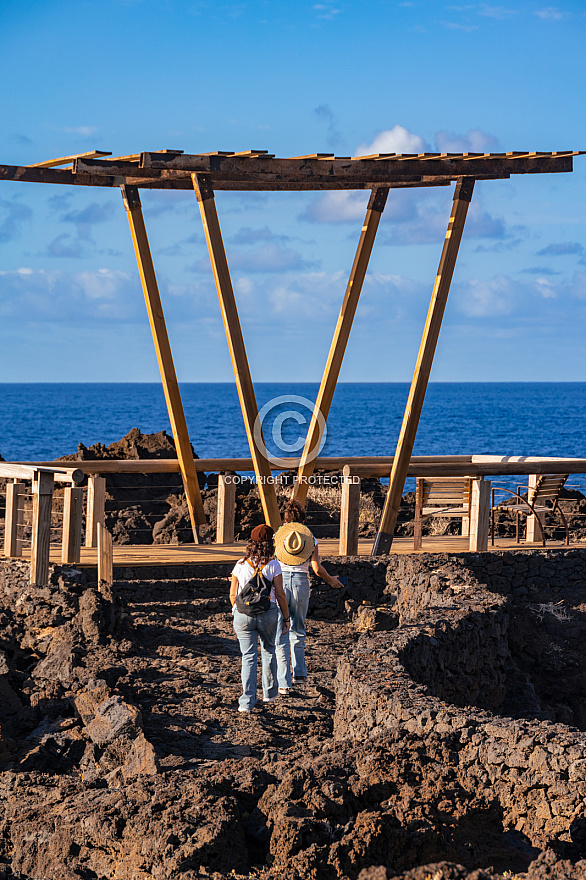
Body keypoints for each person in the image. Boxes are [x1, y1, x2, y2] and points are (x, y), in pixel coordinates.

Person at [273, 501, 343, 693]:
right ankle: (300, 672)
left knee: (281, 629)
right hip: (301, 583)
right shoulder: (308, 537)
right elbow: (316, 568)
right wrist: (330, 580)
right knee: (298, 626)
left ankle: (284, 682)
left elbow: (270, 563)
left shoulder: (278, 537)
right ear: (302, 520)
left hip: (280, 582)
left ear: (286, 520)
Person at [230, 523, 290, 713]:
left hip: (243, 615)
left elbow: (233, 594)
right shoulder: (274, 565)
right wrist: (286, 618)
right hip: (268, 613)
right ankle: (269, 694)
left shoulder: (240, 565)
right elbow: (280, 594)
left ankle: (246, 703)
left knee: (248, 656)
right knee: (269, 650)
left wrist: (235, 610)